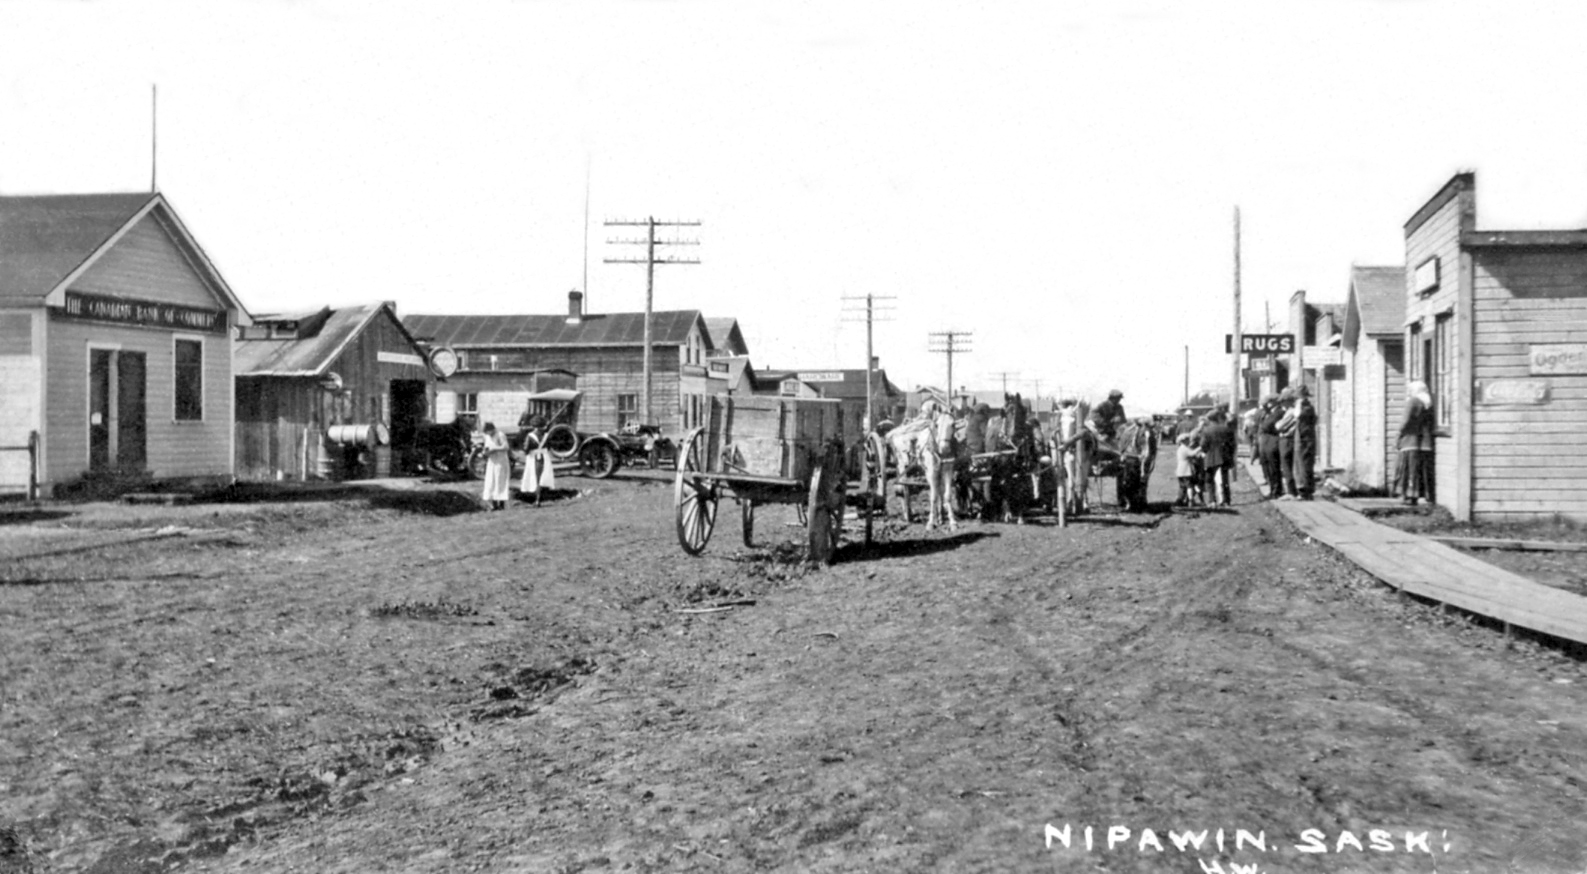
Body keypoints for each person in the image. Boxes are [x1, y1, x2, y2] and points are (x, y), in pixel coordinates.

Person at [1397, 379, 1435, 506]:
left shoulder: (1412, 401)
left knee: (1409, 468)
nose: (1408, 392)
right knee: (1421, 470)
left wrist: (1399, 433)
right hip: (1425, 441)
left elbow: (1405, 421)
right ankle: (1424, 495)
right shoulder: (1428, 402)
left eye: (1410, 390)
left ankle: (1410, 496)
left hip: (1410, 439)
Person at [1199, 407, 1236, 507]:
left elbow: (1203, 445)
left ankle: (1212, 501)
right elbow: (1232, 444)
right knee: (1225, 479)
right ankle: (1226, 501)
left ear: (1209, 419)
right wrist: (1230, 455)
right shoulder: (1227, 429)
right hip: (1225, 456)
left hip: (1211, 456)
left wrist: (1204, 452)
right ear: (1218, 418)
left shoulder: (1206, 430)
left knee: (1209, 479)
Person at [520, 415, 557, 506]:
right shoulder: (546, 435)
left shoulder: (530, 436)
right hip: (544, 457)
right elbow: (548, 447)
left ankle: (537, 500)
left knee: (535, 477)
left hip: (534, 458)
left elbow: (526, 448)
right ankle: (538, 498)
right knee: (541, 477)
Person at [1256, 395, 1285, 499]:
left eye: (1266, 404)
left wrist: (1263, 426)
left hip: (1272, 441)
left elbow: (1266, 425)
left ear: (1273, 402)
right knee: (1268, 467)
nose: (1265, 406)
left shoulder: (1279, 412)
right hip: (1266, 441)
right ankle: (1272, 489)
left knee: (1273, 468)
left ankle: (1277, 490)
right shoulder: (1268, 413)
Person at [1292, 385, 1318, 500]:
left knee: (1305, 465)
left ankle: (1306, 491)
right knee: (1300, 465)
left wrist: (1299, 403)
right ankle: (1303, 489)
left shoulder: (1307, 407)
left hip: (1306, 440)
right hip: (1301, 439)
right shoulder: (1304, 406)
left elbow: (1298, 415)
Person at [480, 422, 511, 511]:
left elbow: (505, 447)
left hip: (501, 461)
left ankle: (501, 503)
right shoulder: (487, 437)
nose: (487, 434)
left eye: (488, 431)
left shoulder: (500, 435)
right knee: (491, 481)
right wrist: (485, 452)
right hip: (492, 461)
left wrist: (494, 449)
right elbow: (486, 447)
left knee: (500, 481)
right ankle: (494, 504)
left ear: (492, 429)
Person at [1275, 388, 1299, 499]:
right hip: (1287, 439)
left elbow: (1279, 426)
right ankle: (1292, 490)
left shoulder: (1291, 412)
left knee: (1286, 465)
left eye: (1283, 401)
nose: (1282, 404)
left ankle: (1291, 492)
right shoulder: (1291, 411)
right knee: (1287, 465)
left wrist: (1279, 424)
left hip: (1286, 439)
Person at [1174, 433, 1204, 507]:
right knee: (1189, 486)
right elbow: (1192, 453)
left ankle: (1179, 500)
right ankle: (1190, 501)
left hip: (1179, 470)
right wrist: (1200, 448)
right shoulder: (1184, 449)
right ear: (1184, 441)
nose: (1189, 441)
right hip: (1186, 470)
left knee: (1182, 486)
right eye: (1187, 440)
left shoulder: (1180, 449)